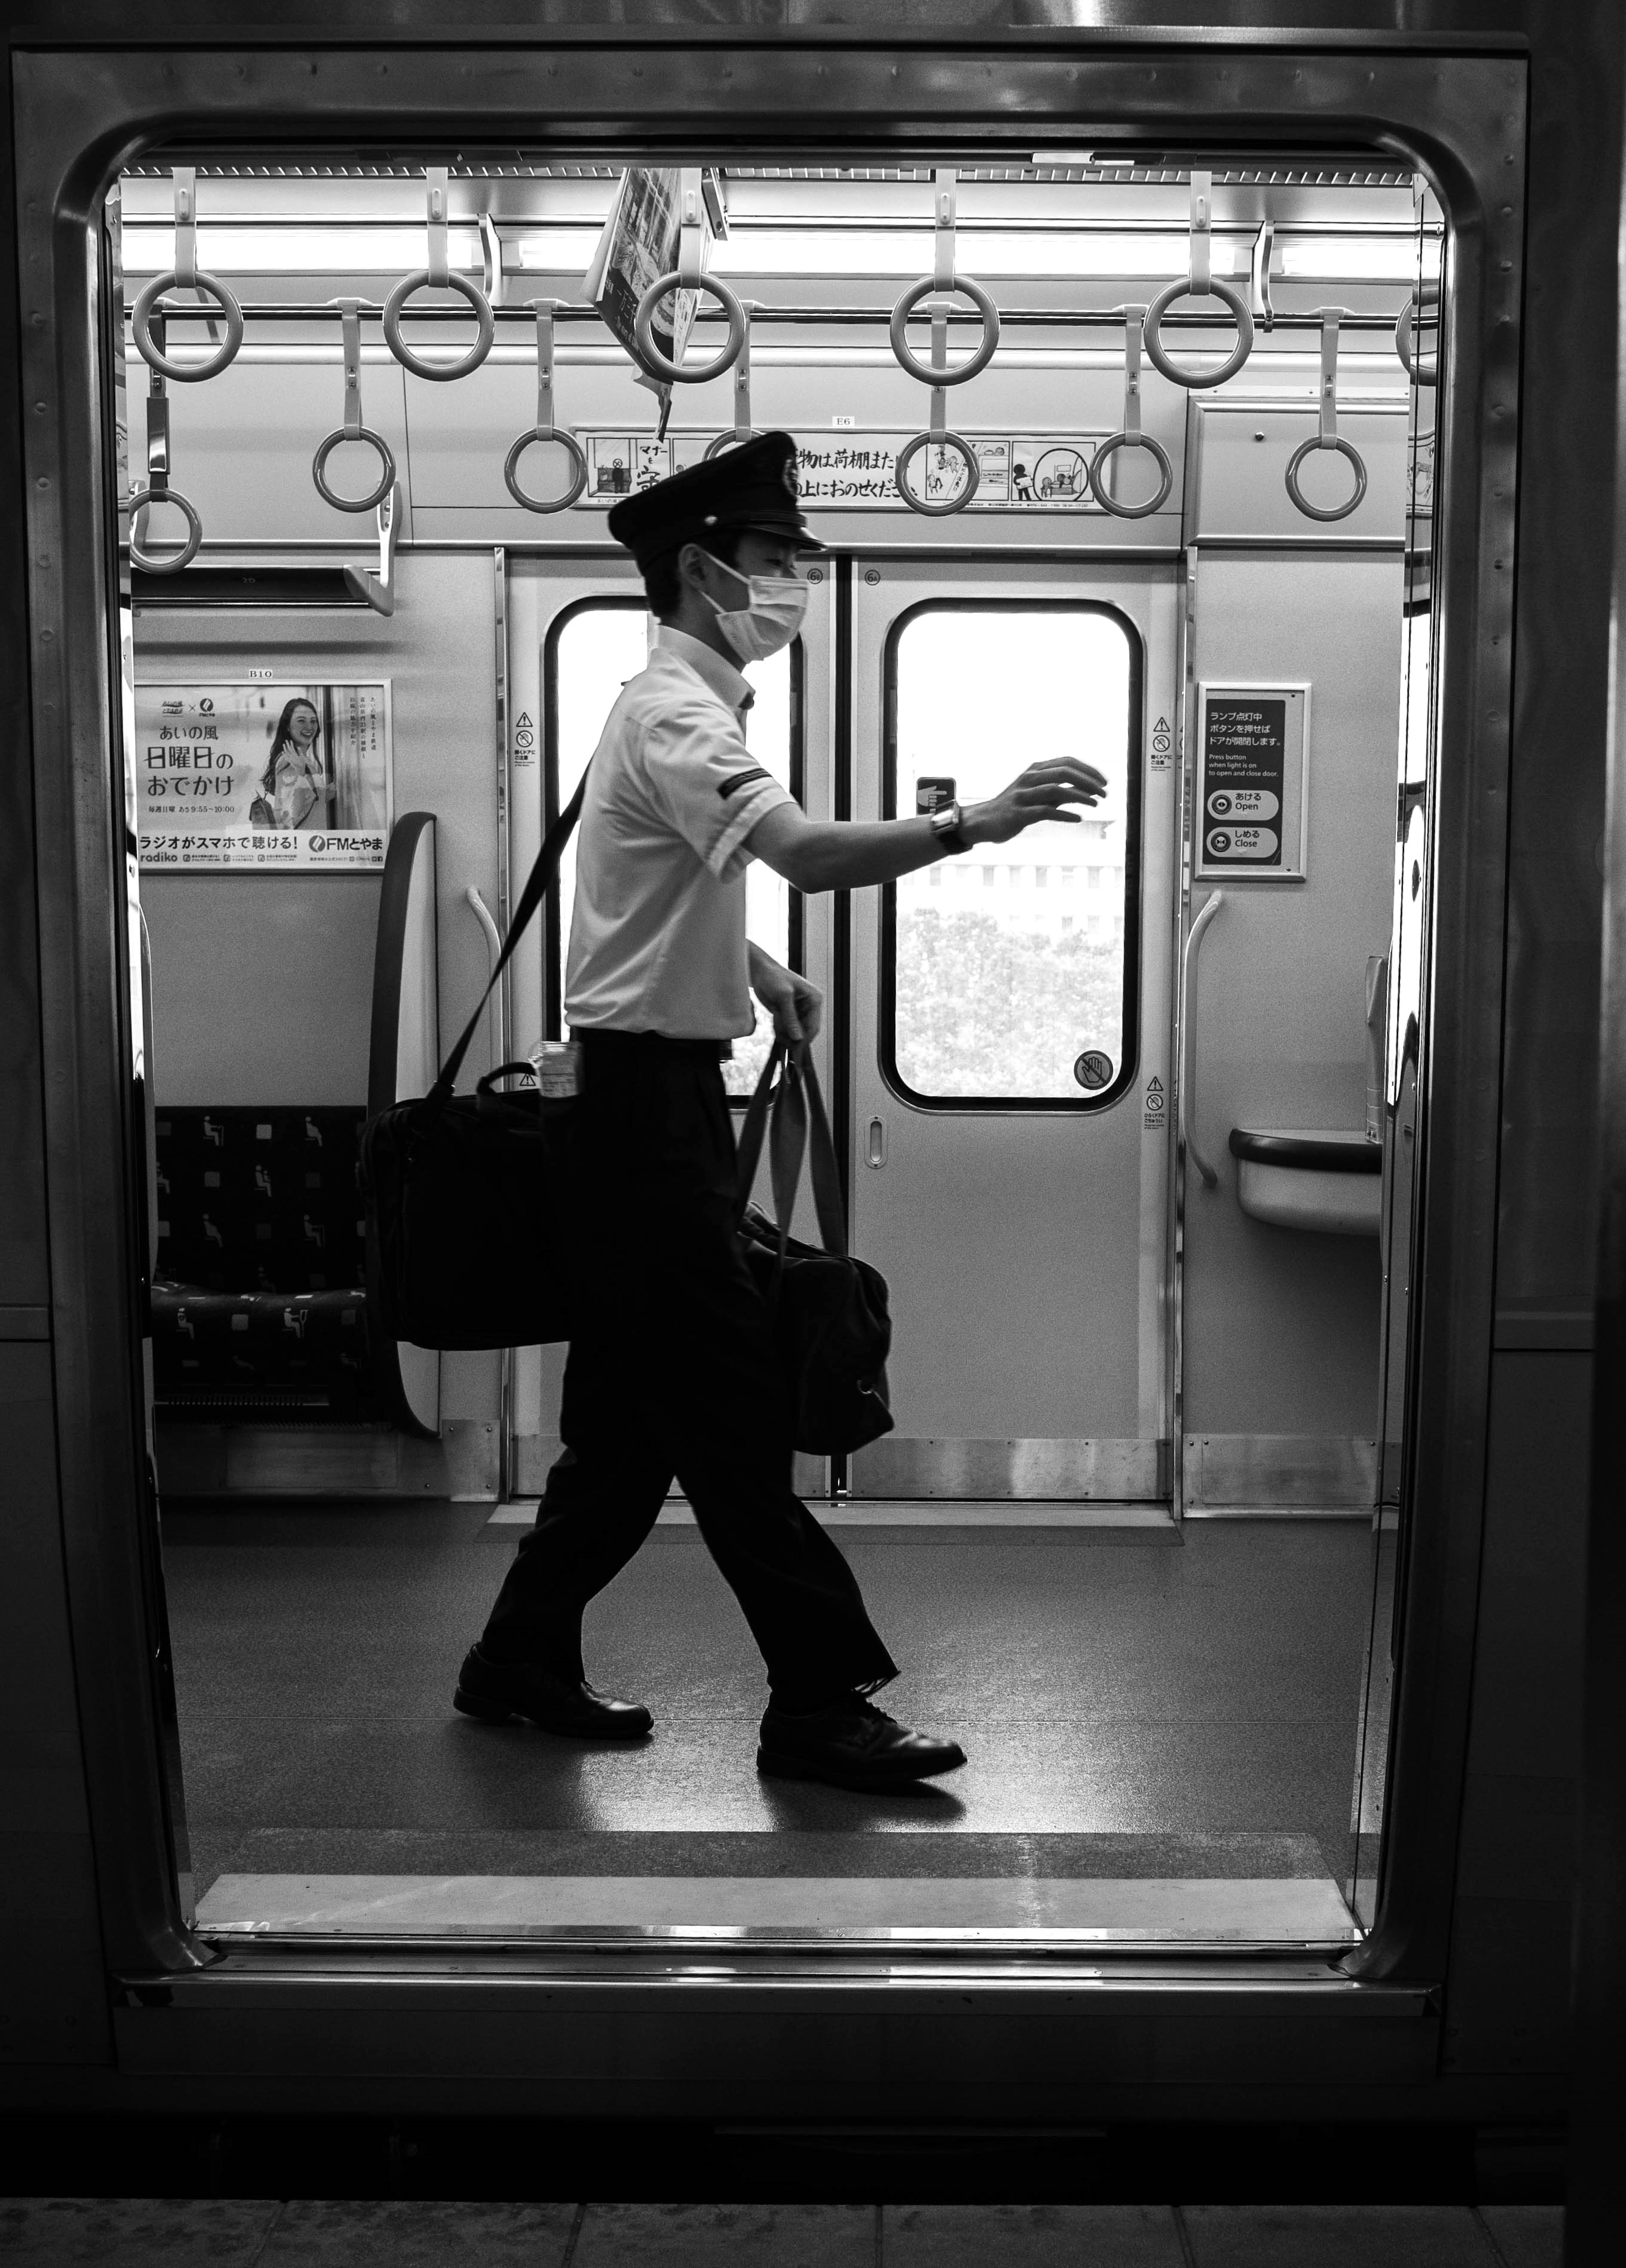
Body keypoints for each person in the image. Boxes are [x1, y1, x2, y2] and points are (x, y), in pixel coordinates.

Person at [455, 431, 1107, 1791]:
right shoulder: (676, 712)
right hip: (641, 1121)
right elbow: (801, 852)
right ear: (703, 569)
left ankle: (513, 1660)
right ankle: (815, 1701)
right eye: (778, 558)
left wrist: (754, 968)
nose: (796, 578)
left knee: (629, 1433)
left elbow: (633, 899)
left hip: (644, 1104)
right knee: (732, 1414)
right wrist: (970, 823)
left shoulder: (678, 708)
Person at [252, 696, 328, 830]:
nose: (309, 727)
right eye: (301, 721)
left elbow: (314, 800)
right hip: (305, 844)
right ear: (288, 726)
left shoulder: (301, 759)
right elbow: (290, 816)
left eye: (313, 721)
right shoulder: (289, 761)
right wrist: (300, 772)